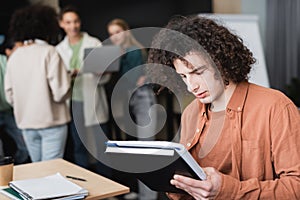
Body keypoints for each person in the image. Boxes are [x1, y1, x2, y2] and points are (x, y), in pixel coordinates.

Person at [147, 15, 300, 199]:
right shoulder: (191, 113)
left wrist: (228, 190)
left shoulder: (275, 107)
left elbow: (295, 187)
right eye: (184, 76)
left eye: (198, 72)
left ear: (221, 62)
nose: (191, 86)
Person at [4, 4, 71, 162]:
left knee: (37, 169)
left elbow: (9, 95)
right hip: (52, 122)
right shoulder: (50, 52)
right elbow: (60, 93)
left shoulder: (15, 56)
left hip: (26, 122)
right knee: (52, 169)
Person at [56, 5, 111, 177]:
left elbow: (106, 74)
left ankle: (108, 185)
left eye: (76, 21)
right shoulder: (58, 49)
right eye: (68, 22)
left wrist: (101, 71)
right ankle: (85, 184)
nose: (73, 26)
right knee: (79, 145)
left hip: (93, 99)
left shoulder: (94, 43)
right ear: (61, 24)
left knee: (102, 145)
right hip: (73, 102)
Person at [107, 18, 158, 200]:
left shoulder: (133, 51)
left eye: (117, 32)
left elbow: (130, 79)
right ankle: (139, 192)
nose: (115, 37)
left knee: (145, 149)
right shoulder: (122, 52)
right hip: (131, 100)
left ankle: (149, 196)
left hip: (142, 99)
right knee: (135, 149)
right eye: (111, 34)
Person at [0, 38, 30, 164]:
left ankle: (14, 170)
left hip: (11, 112)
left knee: (26, 146)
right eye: (19, 49)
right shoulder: (3, 62)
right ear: (8, 51)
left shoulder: (22, 66)